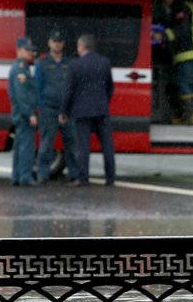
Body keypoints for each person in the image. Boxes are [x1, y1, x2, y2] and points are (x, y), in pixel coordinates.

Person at [60, 33, 115, 186]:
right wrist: (103, 102)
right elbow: (110, 87)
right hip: (101, 109)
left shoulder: (75, 65)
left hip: (82, 111)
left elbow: (68, 91)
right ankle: (110, 178)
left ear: (81, 47)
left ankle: (83, 177)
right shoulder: (104, 63)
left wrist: (64, 111)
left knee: (83, 146)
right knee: (107, 145)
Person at [34, 29, 77, 182]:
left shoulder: (70, 63)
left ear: (63, 44)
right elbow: (38, 87)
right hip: (49, 109)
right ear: (49, 43)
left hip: (67, 110)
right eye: (54, 41)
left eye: (59, 42)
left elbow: (73, 87)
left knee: (71, 144)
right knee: (46, 144)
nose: (56, 44)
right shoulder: (42, 63)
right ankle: (42, 174)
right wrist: (42, 106)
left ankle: (74, 175)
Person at [7, 37, 40, 186]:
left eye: (30, 50)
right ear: (18, 50)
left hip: (20, 114)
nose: (30, 53)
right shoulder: (20, 69)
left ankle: (17, 176)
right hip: (23, 114)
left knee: (20, 145)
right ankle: (25, 176)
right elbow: (21, 96)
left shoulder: (22, 67)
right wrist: (30, 114)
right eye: (26, 50)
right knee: (27, 146)